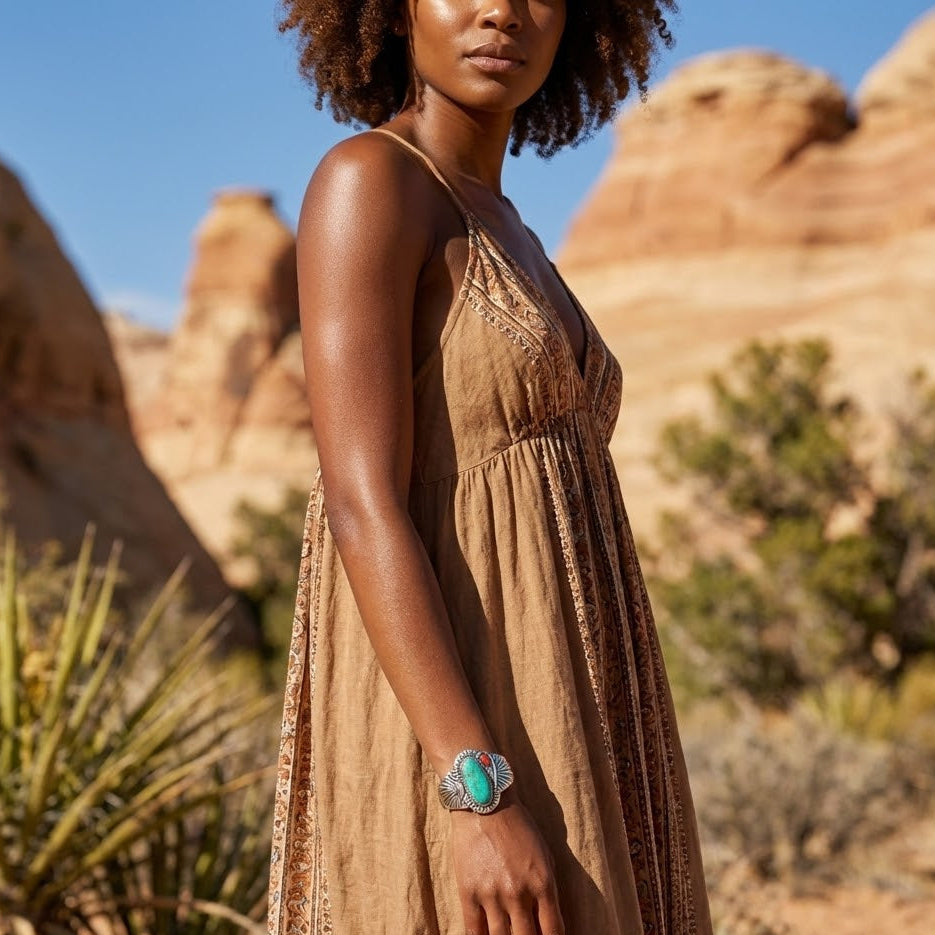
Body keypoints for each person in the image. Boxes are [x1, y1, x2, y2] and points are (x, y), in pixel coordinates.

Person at [267, 1, 714, 933]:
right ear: (395, 14)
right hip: (458, 716)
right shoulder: (371, 182)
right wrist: (477, 791)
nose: (501, 11)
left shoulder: (511, 227)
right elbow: (360, 501)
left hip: (570, 699)